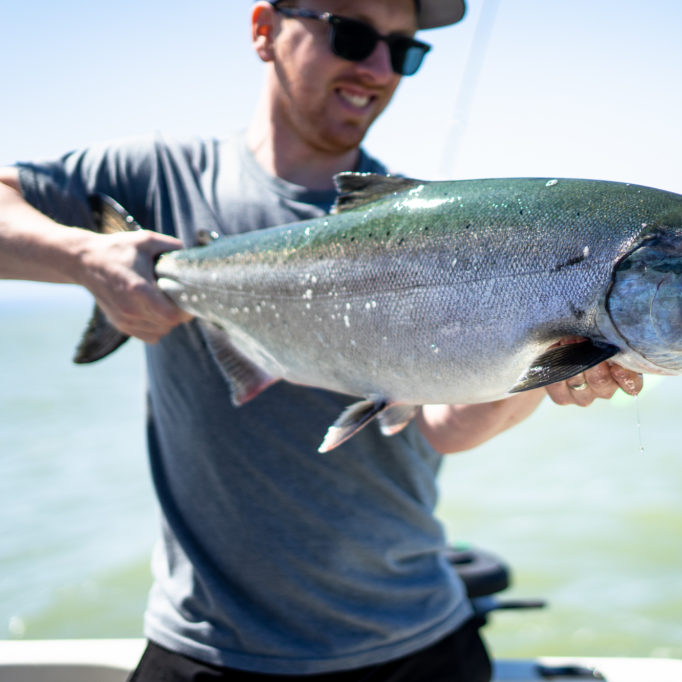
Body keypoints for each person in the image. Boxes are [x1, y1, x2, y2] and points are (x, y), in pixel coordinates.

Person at [0, 1, 643, 679]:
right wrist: (83, 257)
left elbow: (448, 428)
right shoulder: (161, 177)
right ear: (264, 31)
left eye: (403, 50)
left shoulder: (429, 226)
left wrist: (549, 369)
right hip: (210, 649)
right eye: (354, 33)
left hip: (419, 640)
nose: (375, 68)